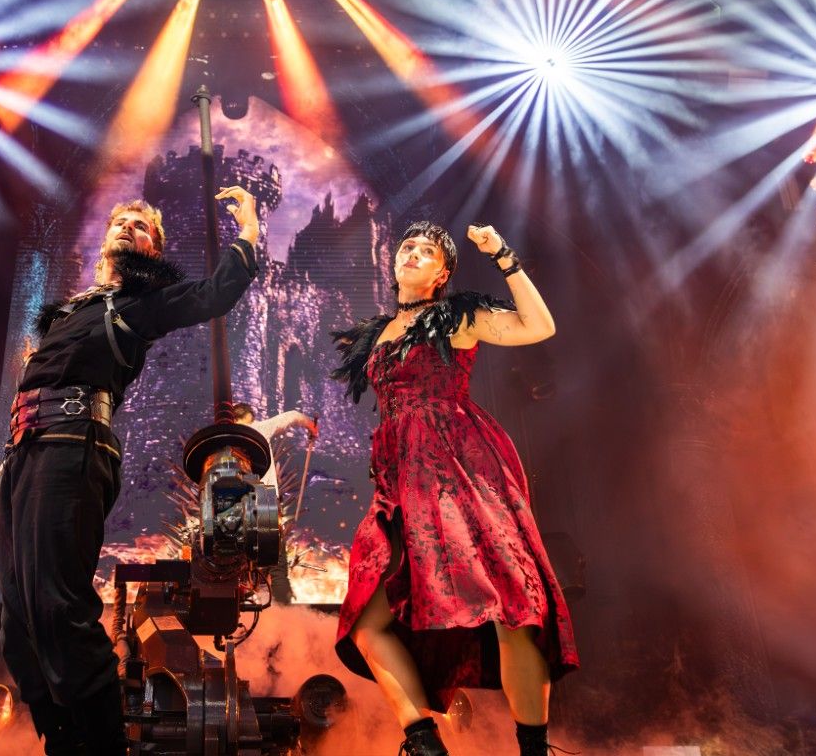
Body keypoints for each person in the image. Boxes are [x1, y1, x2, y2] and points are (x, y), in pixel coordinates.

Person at [0, 187, 263, 756]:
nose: (128, 229)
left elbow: (217, 294)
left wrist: (249, 228)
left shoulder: (144, 304)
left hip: (74, 444)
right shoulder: (71, 309)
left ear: (151, 250)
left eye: (141, 227)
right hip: (25, 452)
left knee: (59, 606)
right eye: (122, 222)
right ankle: (64, 743)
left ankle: (103, 745)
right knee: (18, 630)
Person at [331, 221, 577, 756]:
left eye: (427, 251)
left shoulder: (456, 317)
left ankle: (534, 748)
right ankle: (424, 743)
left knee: (516, 605)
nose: (413, 254)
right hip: (399, 479)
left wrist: (503, 256)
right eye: (407, 247)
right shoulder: (378, 333)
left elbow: (539, 326)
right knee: (364, 620)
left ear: (443, 273)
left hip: (458, 465)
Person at [228, 401, 318, 603]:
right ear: (250, 416)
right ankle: (282, 607)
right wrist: (312, 427)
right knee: (275, 559)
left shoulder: (228, 438)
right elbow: (293, 415)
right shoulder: (259, 429)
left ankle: (239, 608)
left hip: (236, 503)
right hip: (264, 498)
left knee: (238, 558)